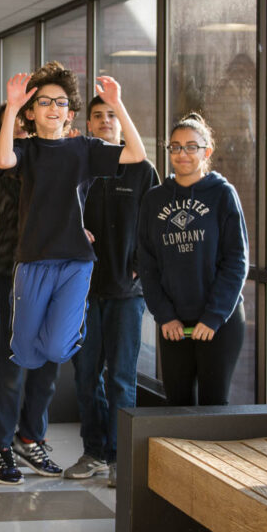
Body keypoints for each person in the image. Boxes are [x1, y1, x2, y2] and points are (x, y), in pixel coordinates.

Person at [0, 62, 146, 477]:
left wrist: (118, 105)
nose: (53, 108)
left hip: (76, 261)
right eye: (44, 103)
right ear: (32, 112)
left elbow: (136, 155)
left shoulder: (85, 149)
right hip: (32, 261)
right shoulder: (28, 151)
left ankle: (27, 435)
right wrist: (11, 108)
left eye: (60, 102)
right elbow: (3, 158)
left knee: (57, 352)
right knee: (23, 353)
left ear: (70, 113)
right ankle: (15, 440)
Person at [63, 95, 160, 486]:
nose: (106, 121)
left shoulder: (141, 169)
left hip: (126, 292)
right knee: (86, 375)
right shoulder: (78, 164)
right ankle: (95, 452)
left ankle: (122, 458)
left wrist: (139, 265)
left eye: (112, 115)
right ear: (88, 124)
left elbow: (154, 225)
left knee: (121, 377)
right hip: (81, 291)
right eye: (98, 116)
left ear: (122, 122)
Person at [137, 112, 248, 407]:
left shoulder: (223, 195)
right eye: (175, 146)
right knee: (178, 406)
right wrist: (165, 315)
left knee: (214, 406)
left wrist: (213, 317)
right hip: (174, 322)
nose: (182, 153)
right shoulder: (154, 199)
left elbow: (236, 261)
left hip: (218, 322)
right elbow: (147, 264)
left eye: (191, 147)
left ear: (206, 151)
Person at [0, 106, 58, 484]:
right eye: (16, 125)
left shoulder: (60, 158)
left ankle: (30, 437)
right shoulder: (8, 163)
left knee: (48, 362)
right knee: (13, 367)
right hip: (15, 271)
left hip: (57, 273)